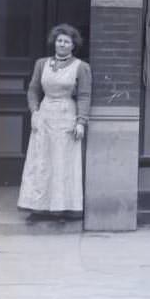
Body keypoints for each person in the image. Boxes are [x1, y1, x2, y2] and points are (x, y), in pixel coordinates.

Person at [18, 23, 92, 221]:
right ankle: (37, 208)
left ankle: (62, 208)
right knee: (41, 160)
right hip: (45, 114)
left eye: (66, 41)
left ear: (73, 45)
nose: (62, 44)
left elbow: (84, 95)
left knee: (62, 162)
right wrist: (34, 111)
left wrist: (81, 122)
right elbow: (33, 90)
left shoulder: (81, 67)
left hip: (67, 114)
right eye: (59, 40)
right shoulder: (41, 63)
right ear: (54, 42)